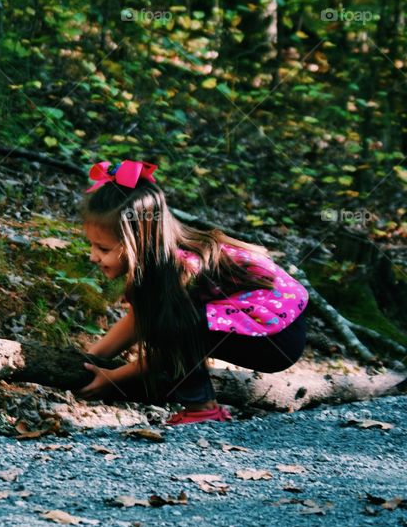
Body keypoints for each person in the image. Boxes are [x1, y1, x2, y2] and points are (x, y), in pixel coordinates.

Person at [76, 160, 309, 425]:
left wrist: (113, 379)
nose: (93, 257)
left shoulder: (177, 271)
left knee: (170, 324)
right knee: (169, 321)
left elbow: (170, 343)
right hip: (281, 328)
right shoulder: (161, 263)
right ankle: (203, 404)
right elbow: (136, 321)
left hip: (275, 339)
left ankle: (202, 409)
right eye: (92, 245)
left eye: (103, 249)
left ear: (139, 241)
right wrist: (89, 360)